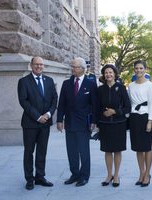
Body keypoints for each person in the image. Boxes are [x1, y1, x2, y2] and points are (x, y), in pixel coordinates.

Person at [17, 56, 58, 190]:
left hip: (45, 123)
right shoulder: (23, 82)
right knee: (29, 152)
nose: (39, 66)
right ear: (31, 65)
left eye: (41, 64)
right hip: (30, 123)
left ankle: (40, 177)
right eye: (36, 64)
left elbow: (54, 100)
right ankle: (29, 179)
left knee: (42, 151)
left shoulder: (49, 81)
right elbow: (24, 101)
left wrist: (48, 114)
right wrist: (37, 116)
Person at [57, 57, 98, 187]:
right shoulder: (66, 83)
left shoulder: (90, 84)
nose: (72, 69)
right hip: (69, 123)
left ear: (82, 69)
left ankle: (84, 176)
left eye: (74, 67)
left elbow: (95, 104)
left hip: (83, 123)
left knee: (84, 151)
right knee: (71, 151)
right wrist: (59, 120)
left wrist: (94, 121)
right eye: (72, 66)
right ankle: (74, 174)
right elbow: (61, 103)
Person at [98, 64, 130, 187]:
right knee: (107, 150)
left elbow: (128, 107)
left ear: (115, 74)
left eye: (110, 72)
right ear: (104, 75)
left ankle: (116, 175)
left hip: (119, 124)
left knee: (117, 150)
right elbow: (97, 107)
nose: (108, 75)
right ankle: (109, 174)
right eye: (106, 73)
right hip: (105, 124)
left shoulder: (121, 88)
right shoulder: (100, 89)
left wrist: (115, 111)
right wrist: (100, 117)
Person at [127, 60, 152, 187]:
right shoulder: (131, 86)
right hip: (134, 118)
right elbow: (129, 103)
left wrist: (150, 121)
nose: (138, 70)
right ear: (134, 70)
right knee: (138, 148)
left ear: (145, 69)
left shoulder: (149, 85)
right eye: (136, 68)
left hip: (145, 118)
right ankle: (141, 173)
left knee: (147, 147)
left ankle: (147, 174)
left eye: (141, 68)